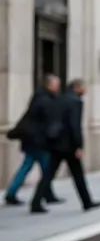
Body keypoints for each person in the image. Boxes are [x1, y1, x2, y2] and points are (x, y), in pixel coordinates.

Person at [30, 79, 100, 213]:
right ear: (77, 88)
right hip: (69, 145)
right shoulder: (76, 102)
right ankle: (87, 202)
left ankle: (36, 202)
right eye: (83, 87)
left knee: (48, 174)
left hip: (56, 142)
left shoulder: (59, 99)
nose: (85, 90)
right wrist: (79, 145)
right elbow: (75, 125)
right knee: (77, 174)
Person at [4, 76, 62, 206]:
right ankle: (47, 194)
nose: (58, 87)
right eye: (56, 85)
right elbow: (48, 122)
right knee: (46, 169)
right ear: (49, 85)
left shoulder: (37, 98)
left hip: (31, 141)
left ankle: (12, 193)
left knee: (26, 167)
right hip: (40, 142)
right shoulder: (46, 100)